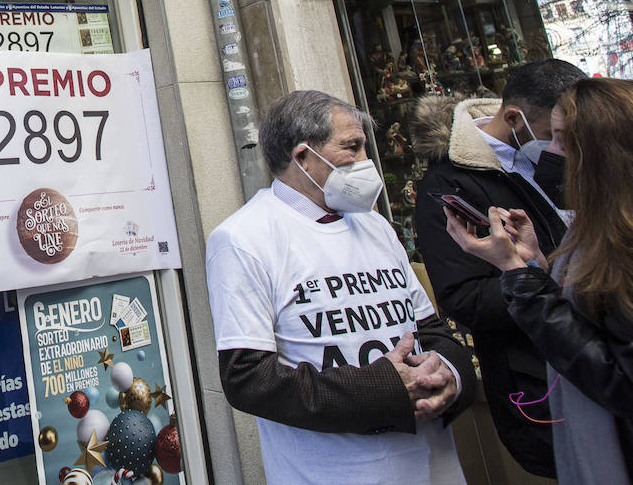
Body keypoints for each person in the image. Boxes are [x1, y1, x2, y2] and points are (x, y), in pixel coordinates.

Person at [205, 90, 475, 485]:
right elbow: (249, 380)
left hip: (435, 465)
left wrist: (451, 374)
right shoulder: (243, 239)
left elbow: (430, 330)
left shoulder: (375, 224)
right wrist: (383, 388)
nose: (367, 161)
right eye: (353, 147)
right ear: (303, 158)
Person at [445, 77, 633, 484]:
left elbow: (620, 379)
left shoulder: (624, 241)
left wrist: (518, 277)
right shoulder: (604, 228)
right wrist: (537, 269)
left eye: (562, 142)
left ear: (603, 158)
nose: (550, 154)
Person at [412, 57, 584, 476]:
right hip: (538, 376)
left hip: (589, 351)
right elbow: (462, 297)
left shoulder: (561, 157)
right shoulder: (450, 183)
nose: (561, 148)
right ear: (515, 117)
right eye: (554, 135)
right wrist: (534, 280)